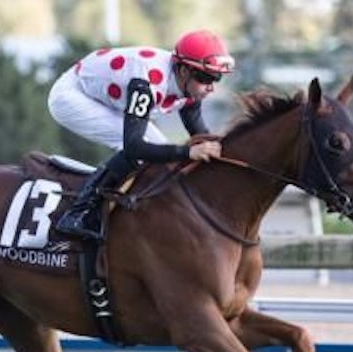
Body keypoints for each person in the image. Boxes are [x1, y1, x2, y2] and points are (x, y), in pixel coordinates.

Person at [47, 29, 235, 240]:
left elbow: (201, 136)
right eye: (206, 78)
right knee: (146, 151)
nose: (211, 88)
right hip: (71, 96)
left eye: (216, 78)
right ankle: (78, 214)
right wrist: (188, 152)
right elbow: (134, 147)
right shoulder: (145, 84)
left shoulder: (189, 81)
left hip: (105, 95)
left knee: (160, 150)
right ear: (183, 71)